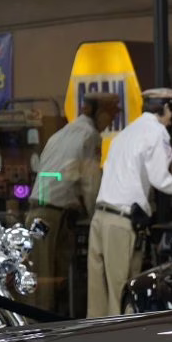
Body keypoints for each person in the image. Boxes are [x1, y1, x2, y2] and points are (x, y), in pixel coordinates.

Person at [87, 88, 172, 318]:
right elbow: (160, 178)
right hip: (120, 222)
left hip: (100, 219)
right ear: (166, 107)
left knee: (97, 299)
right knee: (121, 293)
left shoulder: (126, 133)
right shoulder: (156, 132)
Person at [28, 93, 109, 315]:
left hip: (39, 210)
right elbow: (90, 182)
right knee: (48, 278)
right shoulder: (90, 135)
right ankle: (45, 327)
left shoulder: (60, 135)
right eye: (112, 114)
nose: (111, 121)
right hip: (53, 214)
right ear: (100, 113)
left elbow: (47, 173)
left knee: (40, 272)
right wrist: (95, 216)